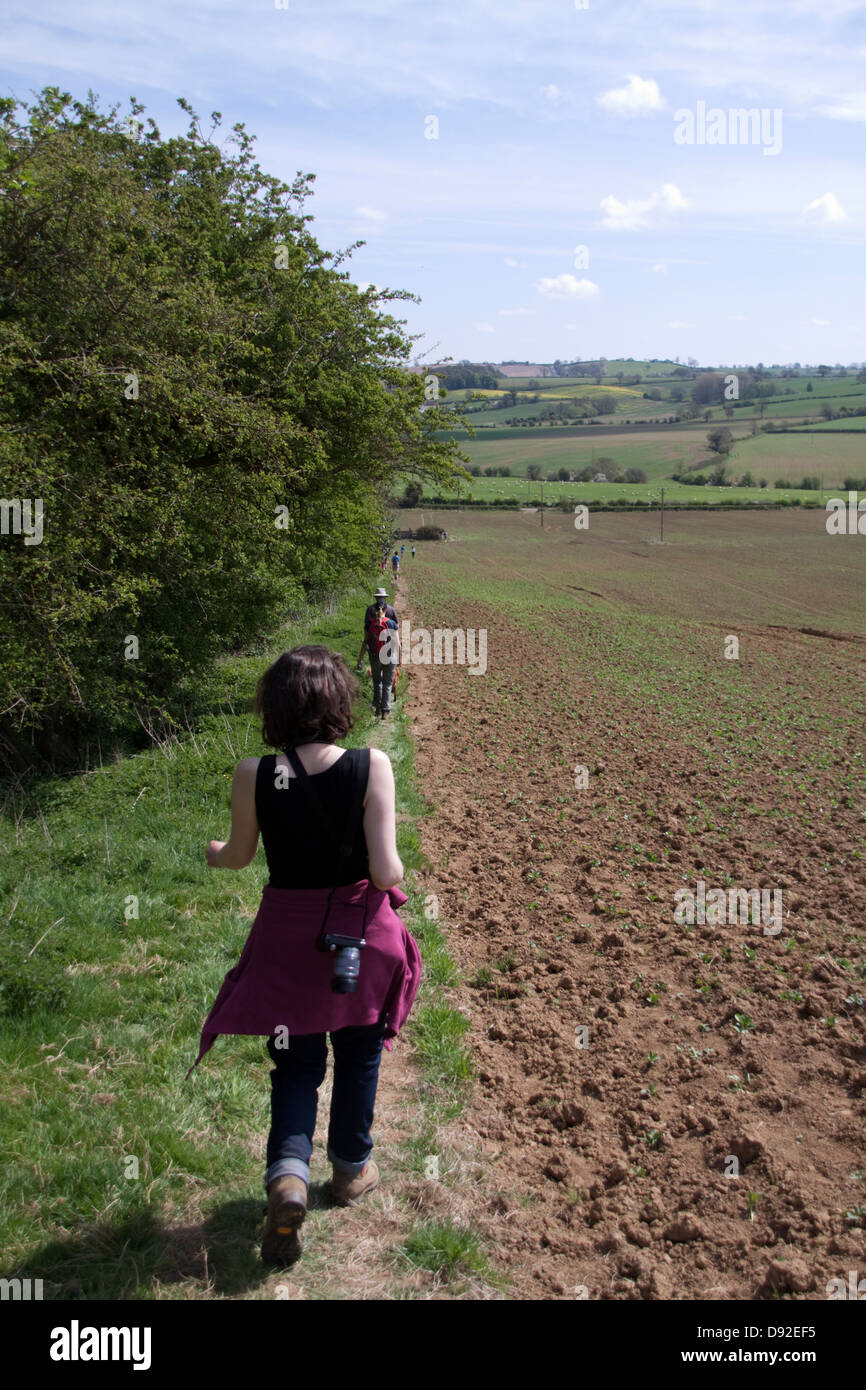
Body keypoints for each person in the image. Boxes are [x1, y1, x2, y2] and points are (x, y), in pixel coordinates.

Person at [193, 647, 422, 1267]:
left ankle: (289, 1176)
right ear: (339, 700)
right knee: (360, 1052)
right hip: (358, 939)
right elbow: (386, 872)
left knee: (295, 1064)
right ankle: (350, 1170)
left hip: (287, 941)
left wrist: (213, 852)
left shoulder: (255, 773)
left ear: (275, 707)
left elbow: (239, 856)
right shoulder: (372, 766)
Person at [357, 589, 399, 717]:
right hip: (389, 654)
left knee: (377, 681)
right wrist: (399, 658)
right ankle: (386, 710)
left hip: (375, 654)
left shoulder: (370, 613)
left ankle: (377, 707)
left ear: (376, 598)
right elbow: (397, 641)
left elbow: (366, 639)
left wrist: (360, 658)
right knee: (387, 683)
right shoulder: (392, 616)